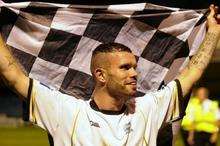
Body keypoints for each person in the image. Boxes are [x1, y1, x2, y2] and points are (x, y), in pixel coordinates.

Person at [0, 5, 219, 146]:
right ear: (100, 75)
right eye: (125, 68)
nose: (135, 73)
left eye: (134, 67)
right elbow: (12, 74)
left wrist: (213, 32)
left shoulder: (148, 109)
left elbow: (193, 72)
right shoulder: (65, 112)